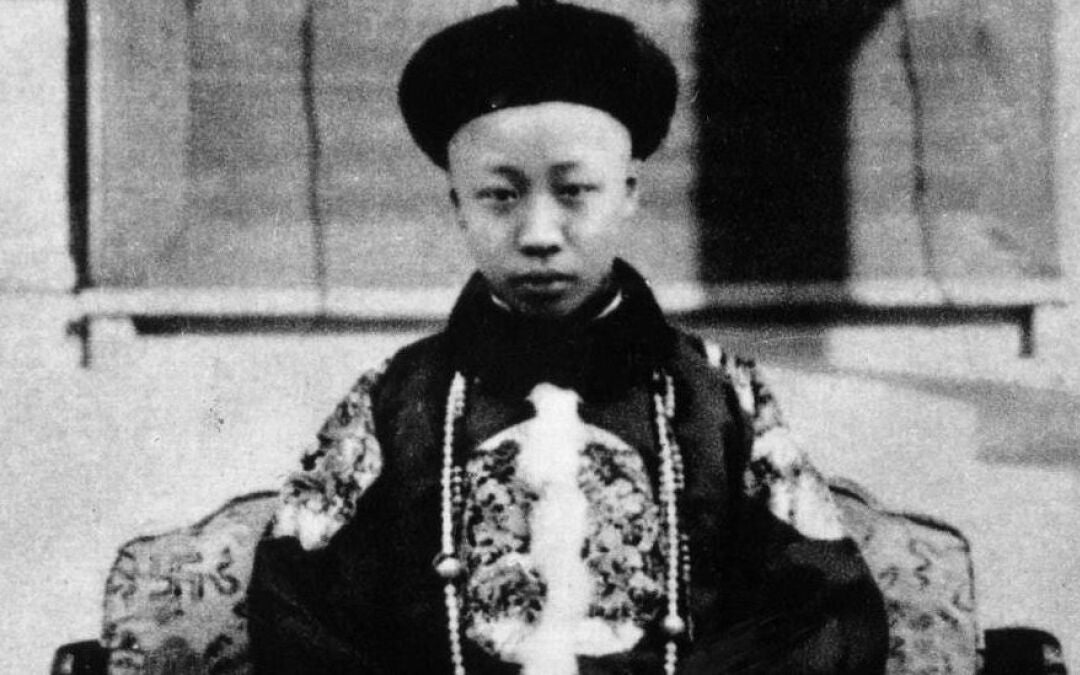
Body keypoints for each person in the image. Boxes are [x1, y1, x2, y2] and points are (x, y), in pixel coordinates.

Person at [247, 1, 888, 673]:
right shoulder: (396, 400)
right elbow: (297, 618)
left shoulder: (718, 396)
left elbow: (824, 616)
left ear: (628, 192)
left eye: (575, 190)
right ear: (457, 204)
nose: (539, 234)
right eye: (500, 195)